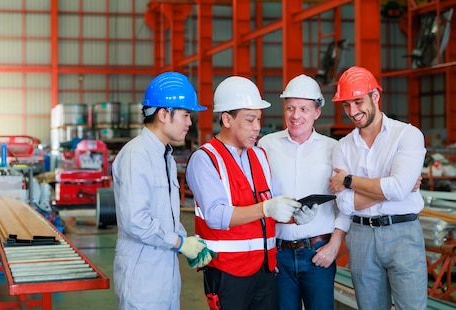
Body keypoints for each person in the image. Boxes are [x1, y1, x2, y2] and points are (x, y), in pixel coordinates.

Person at [186, 76, 302, 310]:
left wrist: (294, 215)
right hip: (227, 274)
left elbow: (272, 205)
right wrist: (266, 208)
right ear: (227, 119)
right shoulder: (206, 160)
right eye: (250, 120)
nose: (257, 127)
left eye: (258, 119)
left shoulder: (259, 155)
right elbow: (216, 216)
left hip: (266, 269)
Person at [112, 71, 215, 310]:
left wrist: (187, 241)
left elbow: (165, 215)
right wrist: (179, 243)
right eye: (186, 114)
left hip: (164, 276)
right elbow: (135, 221)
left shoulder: (164, 155)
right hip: (142, 278)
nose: (190, 122)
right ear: (163, 114)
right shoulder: (136, 155)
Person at [328, 66, 427, 310]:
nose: (353, 111)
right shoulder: (342, 147)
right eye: (347, 105)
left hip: (402, 232)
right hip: (361, 237)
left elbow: (398, 189)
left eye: (358, 102)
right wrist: (389, 186)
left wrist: (349, 181)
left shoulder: (407, 135)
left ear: (375, 97)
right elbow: (344, 203)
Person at [258, 74, 349, 310]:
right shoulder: (266, 146)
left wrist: (334, 246)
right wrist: (266, 252)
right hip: (279, 255)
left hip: (318, 253)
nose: (295, 116)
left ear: (317, 112)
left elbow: (345, 203)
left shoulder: (333, 149)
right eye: (290, 108)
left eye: (303, 109)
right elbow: (258, 199)